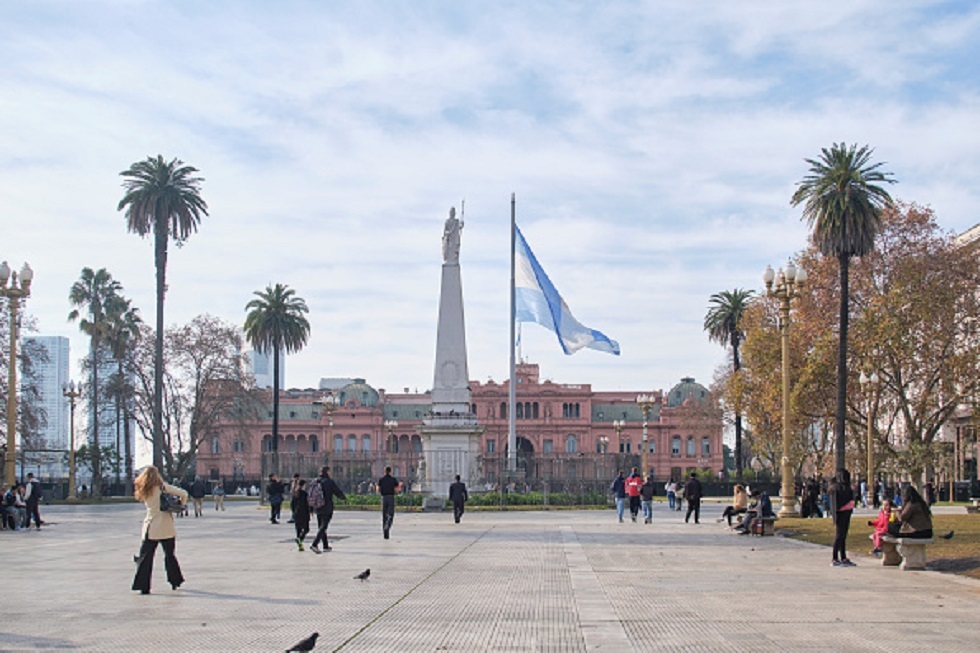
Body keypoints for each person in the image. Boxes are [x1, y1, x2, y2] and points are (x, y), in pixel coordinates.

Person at [132, 466, 188, 595]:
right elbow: (184, 493)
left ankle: (143, 585)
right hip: (166, 525)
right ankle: (175, 580)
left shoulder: (144, 489)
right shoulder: (163, 487)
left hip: (151, 525)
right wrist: (182, 505)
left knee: (146, 557)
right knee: (169, 555)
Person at [310, 466, 346, 554]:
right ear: (327, 472)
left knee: (321, 526)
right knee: (324, 526)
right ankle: (314, 544)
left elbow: (311, 495)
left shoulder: (315, 481)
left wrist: (311, 508)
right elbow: (337, 491)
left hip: (318, 506)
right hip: (327, 506)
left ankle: (325, 546)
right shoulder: (329, 482)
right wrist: (343, 498)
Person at [829, 469, 856, 567]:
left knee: (843, 536)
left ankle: (843, 557)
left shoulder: (845, 487)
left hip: (846, 513)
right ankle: (835, 557)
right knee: (839, 536)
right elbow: (836, 504)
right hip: (841, 514)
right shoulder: (836, 488)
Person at [377, 466, 399, 539]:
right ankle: (388, 526)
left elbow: (378, 489)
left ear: (384, 471)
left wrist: (382, 492)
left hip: (384, 497)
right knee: (390, 514)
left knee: (384, 514)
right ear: (390, 471)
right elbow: (396, 489)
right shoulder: (393, 480)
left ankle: (385, 532)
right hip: (391, 497)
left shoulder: (381, 480)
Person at [292, 479, 310, 551]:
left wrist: (294, 511)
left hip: (297, 513)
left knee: (298, 530)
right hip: (304, 513)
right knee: (306, 529)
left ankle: (300, 544)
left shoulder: (295, 493)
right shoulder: (304, 494)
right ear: (304, 485)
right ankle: (300, 539)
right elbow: (306, 504)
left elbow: (292, 504)